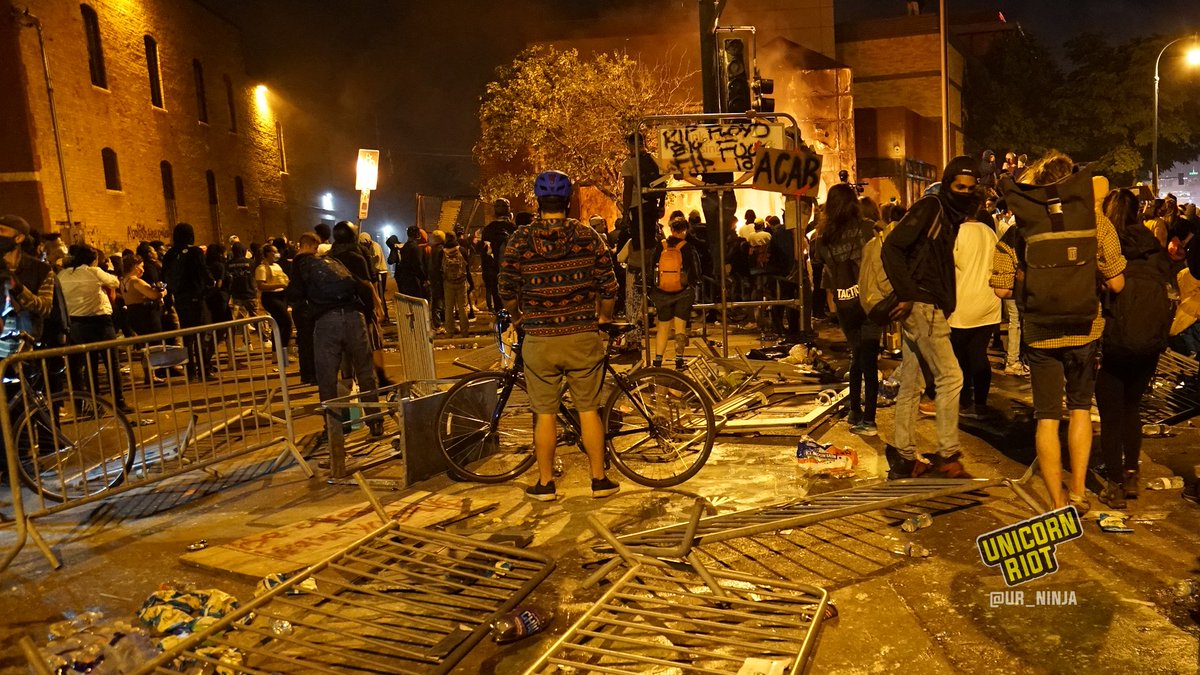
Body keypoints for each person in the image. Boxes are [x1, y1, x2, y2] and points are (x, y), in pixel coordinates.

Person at [990, 150, 1126, 513]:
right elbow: (1117, 283)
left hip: (1039, 332)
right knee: (1080, 409)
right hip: (1085, 330)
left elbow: (1001, 289)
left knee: (1047, 417)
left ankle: (1056, 501)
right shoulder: (1097, 224)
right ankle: (1079, 492)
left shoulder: (1021, 229)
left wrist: (1027, 281)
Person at [499, 170, 620, 501]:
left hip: (539, 338)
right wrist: (603, 317)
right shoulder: (588, 237)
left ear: (538, 202)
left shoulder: (520, 240)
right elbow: (608, 286)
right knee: (588, 409)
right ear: (568, 202)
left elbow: (506, 289)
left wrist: (518, 316)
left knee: (545, 411)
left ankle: (546, 484)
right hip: (582, 335)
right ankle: (598, 480)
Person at [883, 156, 978, 479]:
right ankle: (948, 455)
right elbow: (892, 247)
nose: (964, 192)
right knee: (952, 377)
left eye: (969, 188)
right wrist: (908, 293)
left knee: (912, 383)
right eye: (959, 186)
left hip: (925, 304)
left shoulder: (948, 215)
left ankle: (904, 455)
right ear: (948, 183)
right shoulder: (932, 207)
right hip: (922, 304)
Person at [1095, 188, 1168, 509]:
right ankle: (1132, 473)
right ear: (1139, 211)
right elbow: (1172, 291)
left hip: (1112, 341)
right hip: (1148, 343)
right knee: (1131, 409)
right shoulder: (1154, 247)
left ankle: (1115, 485)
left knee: (1110, 416)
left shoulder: (1107, 248)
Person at [287, 233, 382, 439]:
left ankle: (333, 428)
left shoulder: (301, 265)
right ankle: (375, 422)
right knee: (365, 372)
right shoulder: (334, 262)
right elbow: (361, 286)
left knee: (327, 377)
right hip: (354, 316)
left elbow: (295, 295)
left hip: (327, 320)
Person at [818, 184, 882, 435]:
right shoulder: (868, 229)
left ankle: (855, 410)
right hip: (871, 301)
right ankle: (869, 419)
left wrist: (834, 306)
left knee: (857, 356)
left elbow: (827, 276)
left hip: (845, 303)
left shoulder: (823, 238)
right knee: (869, 360)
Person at [58, 245, 132, 414]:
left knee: (89, 367)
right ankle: (119, 402)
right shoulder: (94, 271)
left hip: (76, 323)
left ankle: (95, 404)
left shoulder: (62, 275)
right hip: (100, 322)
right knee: (111, 364)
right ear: (92, 259)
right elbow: (114, 282)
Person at [949, 212, 1001, 419]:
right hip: (988, 301)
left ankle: (964, 402)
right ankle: (980, 404)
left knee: (960, 356)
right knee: (979, 353)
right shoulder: (989, 233)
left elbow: (948, 266)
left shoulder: (957, 233)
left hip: (963, 301)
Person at [161, 223, 215, 379]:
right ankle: (204, 370)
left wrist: (168, 297)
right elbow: (203, 271)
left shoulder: (170, 254)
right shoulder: (195, 252)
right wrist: (211, 283)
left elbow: (164, 277)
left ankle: (190, 371)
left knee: (187, 337)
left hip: (180, 299)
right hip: (196, 297)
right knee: (201, 335)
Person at [649, 216, 701, 369]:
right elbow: (696, 270)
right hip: (683, 292)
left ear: (671, 230)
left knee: (663, 327)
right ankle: (679, 360)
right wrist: (694, 283)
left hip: (662, 292)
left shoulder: (661, 246)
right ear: (685, 230)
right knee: (680, 327)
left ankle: (658, 360)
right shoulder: (687, 247)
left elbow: (651, 266)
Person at [255, 244, 291, 358]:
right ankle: (281, 352)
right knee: (286, 322)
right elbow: (261, 286)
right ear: (266, 254)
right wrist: (279, 285)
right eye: (273, 252)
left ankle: (278, 354)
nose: (276, 254)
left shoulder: (277, 266)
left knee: (280, 325)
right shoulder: (261, 268)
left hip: (281, 296)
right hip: (271, 298)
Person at [481, 198, 516, 314]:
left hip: (494, 273)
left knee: (498, 304)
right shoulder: (514, 230)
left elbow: (485, 254)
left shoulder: (488, 230)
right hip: (513, 274)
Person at [441, 232, 471, 337]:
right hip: (461, 282)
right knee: (463, 308)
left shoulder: (442, 251)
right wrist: (470, 282)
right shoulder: (462, 250)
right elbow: (467, 267)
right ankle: (465, 331)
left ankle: (449, 332)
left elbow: (439, 269)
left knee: (449, 308)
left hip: (448, 283)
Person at [394, 226, 428, 299]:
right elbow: (418, 264)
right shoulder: (415, 248)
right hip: (415, 280)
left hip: (405, 279)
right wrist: (424, 278)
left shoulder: (405, 246)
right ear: (417, 235)